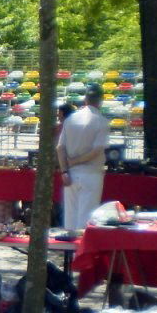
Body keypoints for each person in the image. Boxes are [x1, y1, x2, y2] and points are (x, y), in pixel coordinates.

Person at [56, 83, 109, 231]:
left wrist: (64, 170)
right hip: (91, 173)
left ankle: (70, 251)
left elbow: (60, 147)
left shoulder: (70, 120)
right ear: (100, 101)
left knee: (70, 217)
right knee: (85, 218)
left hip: (71, 173)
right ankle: (80, 252)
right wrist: (74, 161)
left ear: (85, 99)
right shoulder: (102, 121)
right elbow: (97, 150)